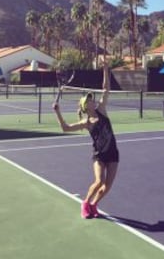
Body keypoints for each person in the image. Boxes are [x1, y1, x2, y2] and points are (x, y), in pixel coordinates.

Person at [52, 62, 119, 219]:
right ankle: (85, 203)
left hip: (113, 153)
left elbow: (106, 89)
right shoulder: (86, 123)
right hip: (99, 156)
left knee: (107, 186)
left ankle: (94, 204)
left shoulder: (102, 110)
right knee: (98, 181)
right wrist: (57, 112)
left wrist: (105, 69)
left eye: (91, 98)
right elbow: (65, 128)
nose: (92, 100)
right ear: (85, 106)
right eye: (89, 100)